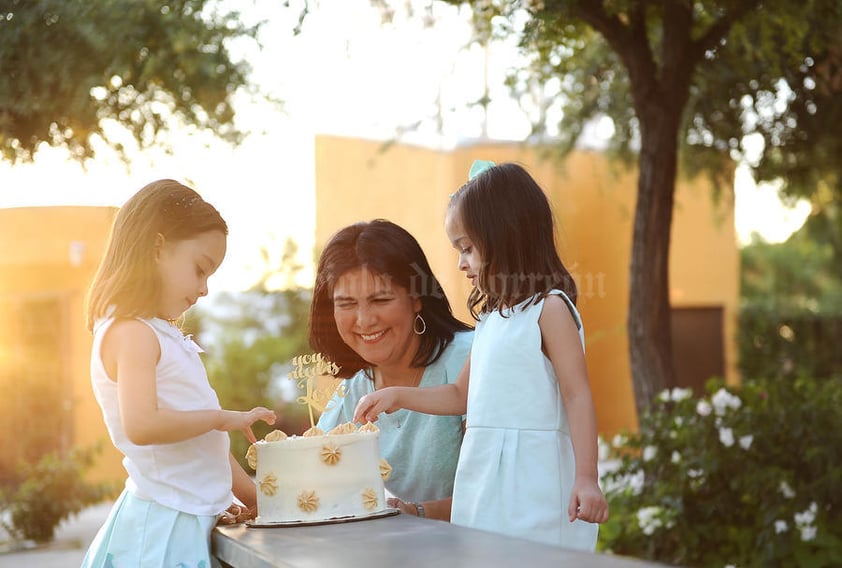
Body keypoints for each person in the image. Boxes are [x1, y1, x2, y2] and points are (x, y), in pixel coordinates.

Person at [354, 162, 609, 549]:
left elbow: (577, 395)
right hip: (485, 481)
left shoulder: (549, 310)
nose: (460, 263)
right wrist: (398, 396)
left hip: (534, 483)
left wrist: (587, 478)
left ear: (506, 237)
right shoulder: (491, 320)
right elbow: (459, 396)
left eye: (467, 248)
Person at [82, 180, 276, 567]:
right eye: (200, 269)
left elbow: (204, 446)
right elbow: (142, 424)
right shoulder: (132, 333)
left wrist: (256, 498)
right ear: (157, 248)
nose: (204, 289)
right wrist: (222, 418)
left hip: (182, 522)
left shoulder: (158, 334)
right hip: (162, 533)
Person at [310, 219, 473, 521]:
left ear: (417, 299)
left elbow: (494, 490)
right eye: (346, 304)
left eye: (380, 299)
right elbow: (312, 485)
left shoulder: (471, 358)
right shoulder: (353, 391)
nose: (364, 320)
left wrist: (415, 512)